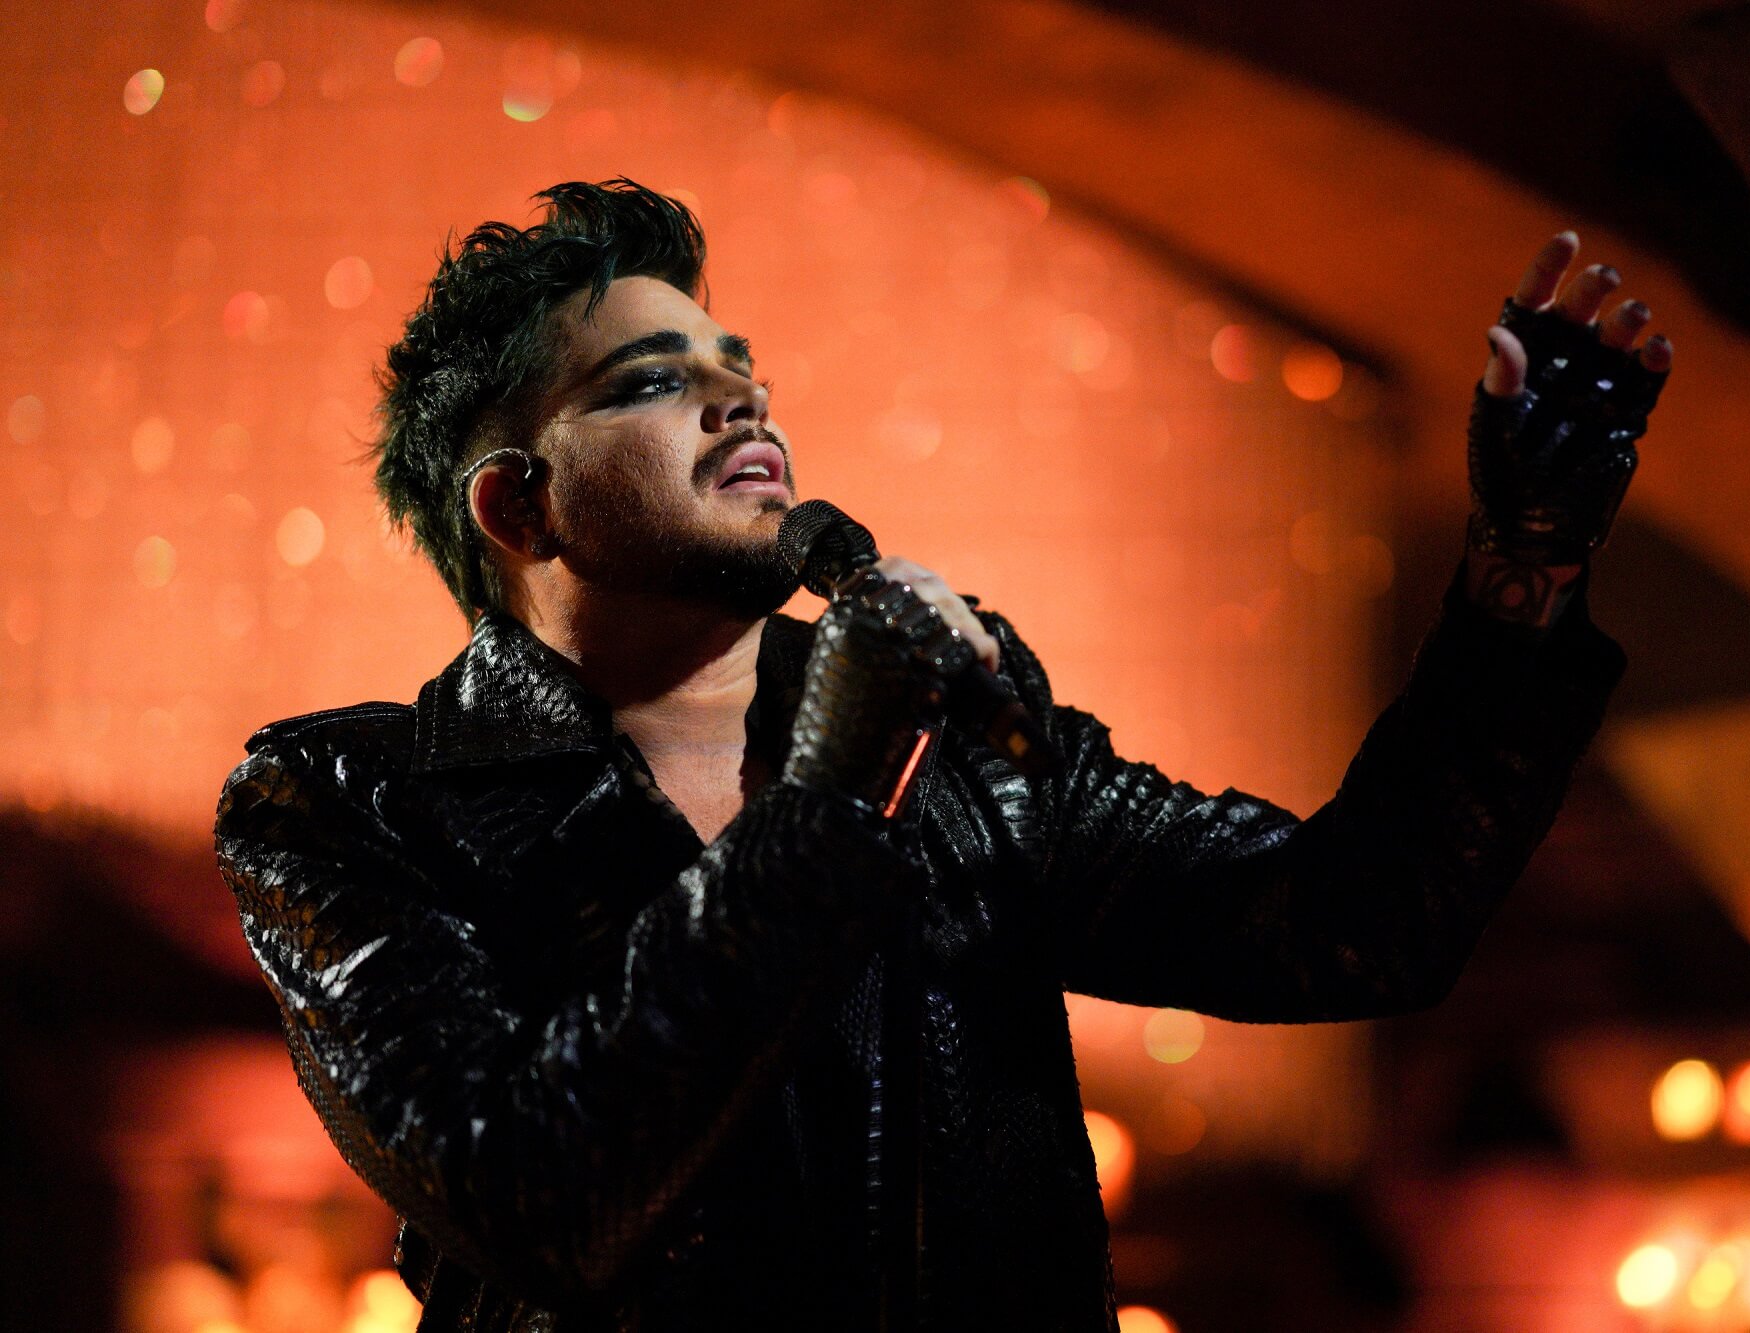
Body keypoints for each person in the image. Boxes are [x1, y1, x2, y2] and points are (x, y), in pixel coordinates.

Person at [215, 178, 1670, 1331]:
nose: (743, 398)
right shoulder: (347, 803)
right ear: (517, 510)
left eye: (740, 364)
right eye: (654, 381)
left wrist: (1524, 565)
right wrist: (832, 796)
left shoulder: (960, 728)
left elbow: (1351, 928)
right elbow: (536, 1189)